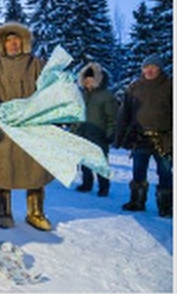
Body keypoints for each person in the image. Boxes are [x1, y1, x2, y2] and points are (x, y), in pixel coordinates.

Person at [0, 22, 51, 230]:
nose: (13, 44)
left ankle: (35, 213)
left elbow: (54, 84)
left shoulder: (37, 64)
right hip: (2, 127)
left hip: (31, 126)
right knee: (2, 169)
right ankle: (3, 212)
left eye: (16, 40)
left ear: (23, 42)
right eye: (8, 40)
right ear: (1, 44)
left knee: (35, 169)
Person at [116, 54, 172, 217]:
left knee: (165, 173)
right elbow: (123, 114)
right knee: (138, 172)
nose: (149, 70)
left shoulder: (170, 86)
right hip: (139, 138)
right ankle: (137, 202)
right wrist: (119, 138)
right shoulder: (134, 87)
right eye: (146, 67)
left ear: (160, 69)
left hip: (165, 139)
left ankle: (166, 207)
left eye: (153, 67)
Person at [72, 62, 118, 197]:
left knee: (100, 162)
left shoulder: (106, 96)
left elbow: (112, 117)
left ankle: (104, 186)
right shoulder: (82, 95)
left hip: (99, 133)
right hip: (83, 133)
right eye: (86, 79)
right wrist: (74, 130)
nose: (88, 82)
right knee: (85, 161)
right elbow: (77, 115)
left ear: (97, 79)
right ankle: (87, 183)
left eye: (91, 79)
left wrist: (110, 132)